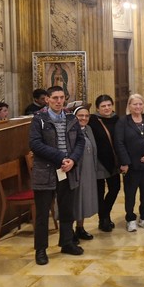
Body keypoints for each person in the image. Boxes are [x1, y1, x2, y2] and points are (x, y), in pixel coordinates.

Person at [29, 86, 85, 265]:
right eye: (55, 98)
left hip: (67, 170)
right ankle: (41, 250)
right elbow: (35, 144)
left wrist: (73, 160)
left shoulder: (70, 117)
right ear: (47, 99)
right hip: (45, 171)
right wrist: (61, 157)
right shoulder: (39, 119)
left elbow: (80, 141)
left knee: (67, 208)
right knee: (43, 213)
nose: (59, 101)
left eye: (62, 97)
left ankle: (67, 242)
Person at [114, 94, 144, 232]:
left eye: (140, 104)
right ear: (129, 106)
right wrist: (125, 162)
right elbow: (119, 143)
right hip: (131, 166)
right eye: (135, 104)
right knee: (130, 194)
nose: (138, 107)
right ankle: (130, 218)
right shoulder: (123, 122)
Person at [88, 94, 120, 232]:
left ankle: (105, 214)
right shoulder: (92, 120)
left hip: (114, 160)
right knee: (99, 192)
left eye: (108, 105)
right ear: (97, 108)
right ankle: (104, 219)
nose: (106, 108)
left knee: (115, 188)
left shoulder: (117, 119)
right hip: (98, 161)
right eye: (103, 106)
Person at [71, 105, 99, 242]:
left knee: (84, 201)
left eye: (87, 116)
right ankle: (69, 232)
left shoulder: (88, 129)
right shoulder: (70, 131)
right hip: (76, 172)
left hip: (88, 171)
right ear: (74, 117)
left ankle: (80, 228)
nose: (84, 118)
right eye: (80, 116)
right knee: (75, 201)